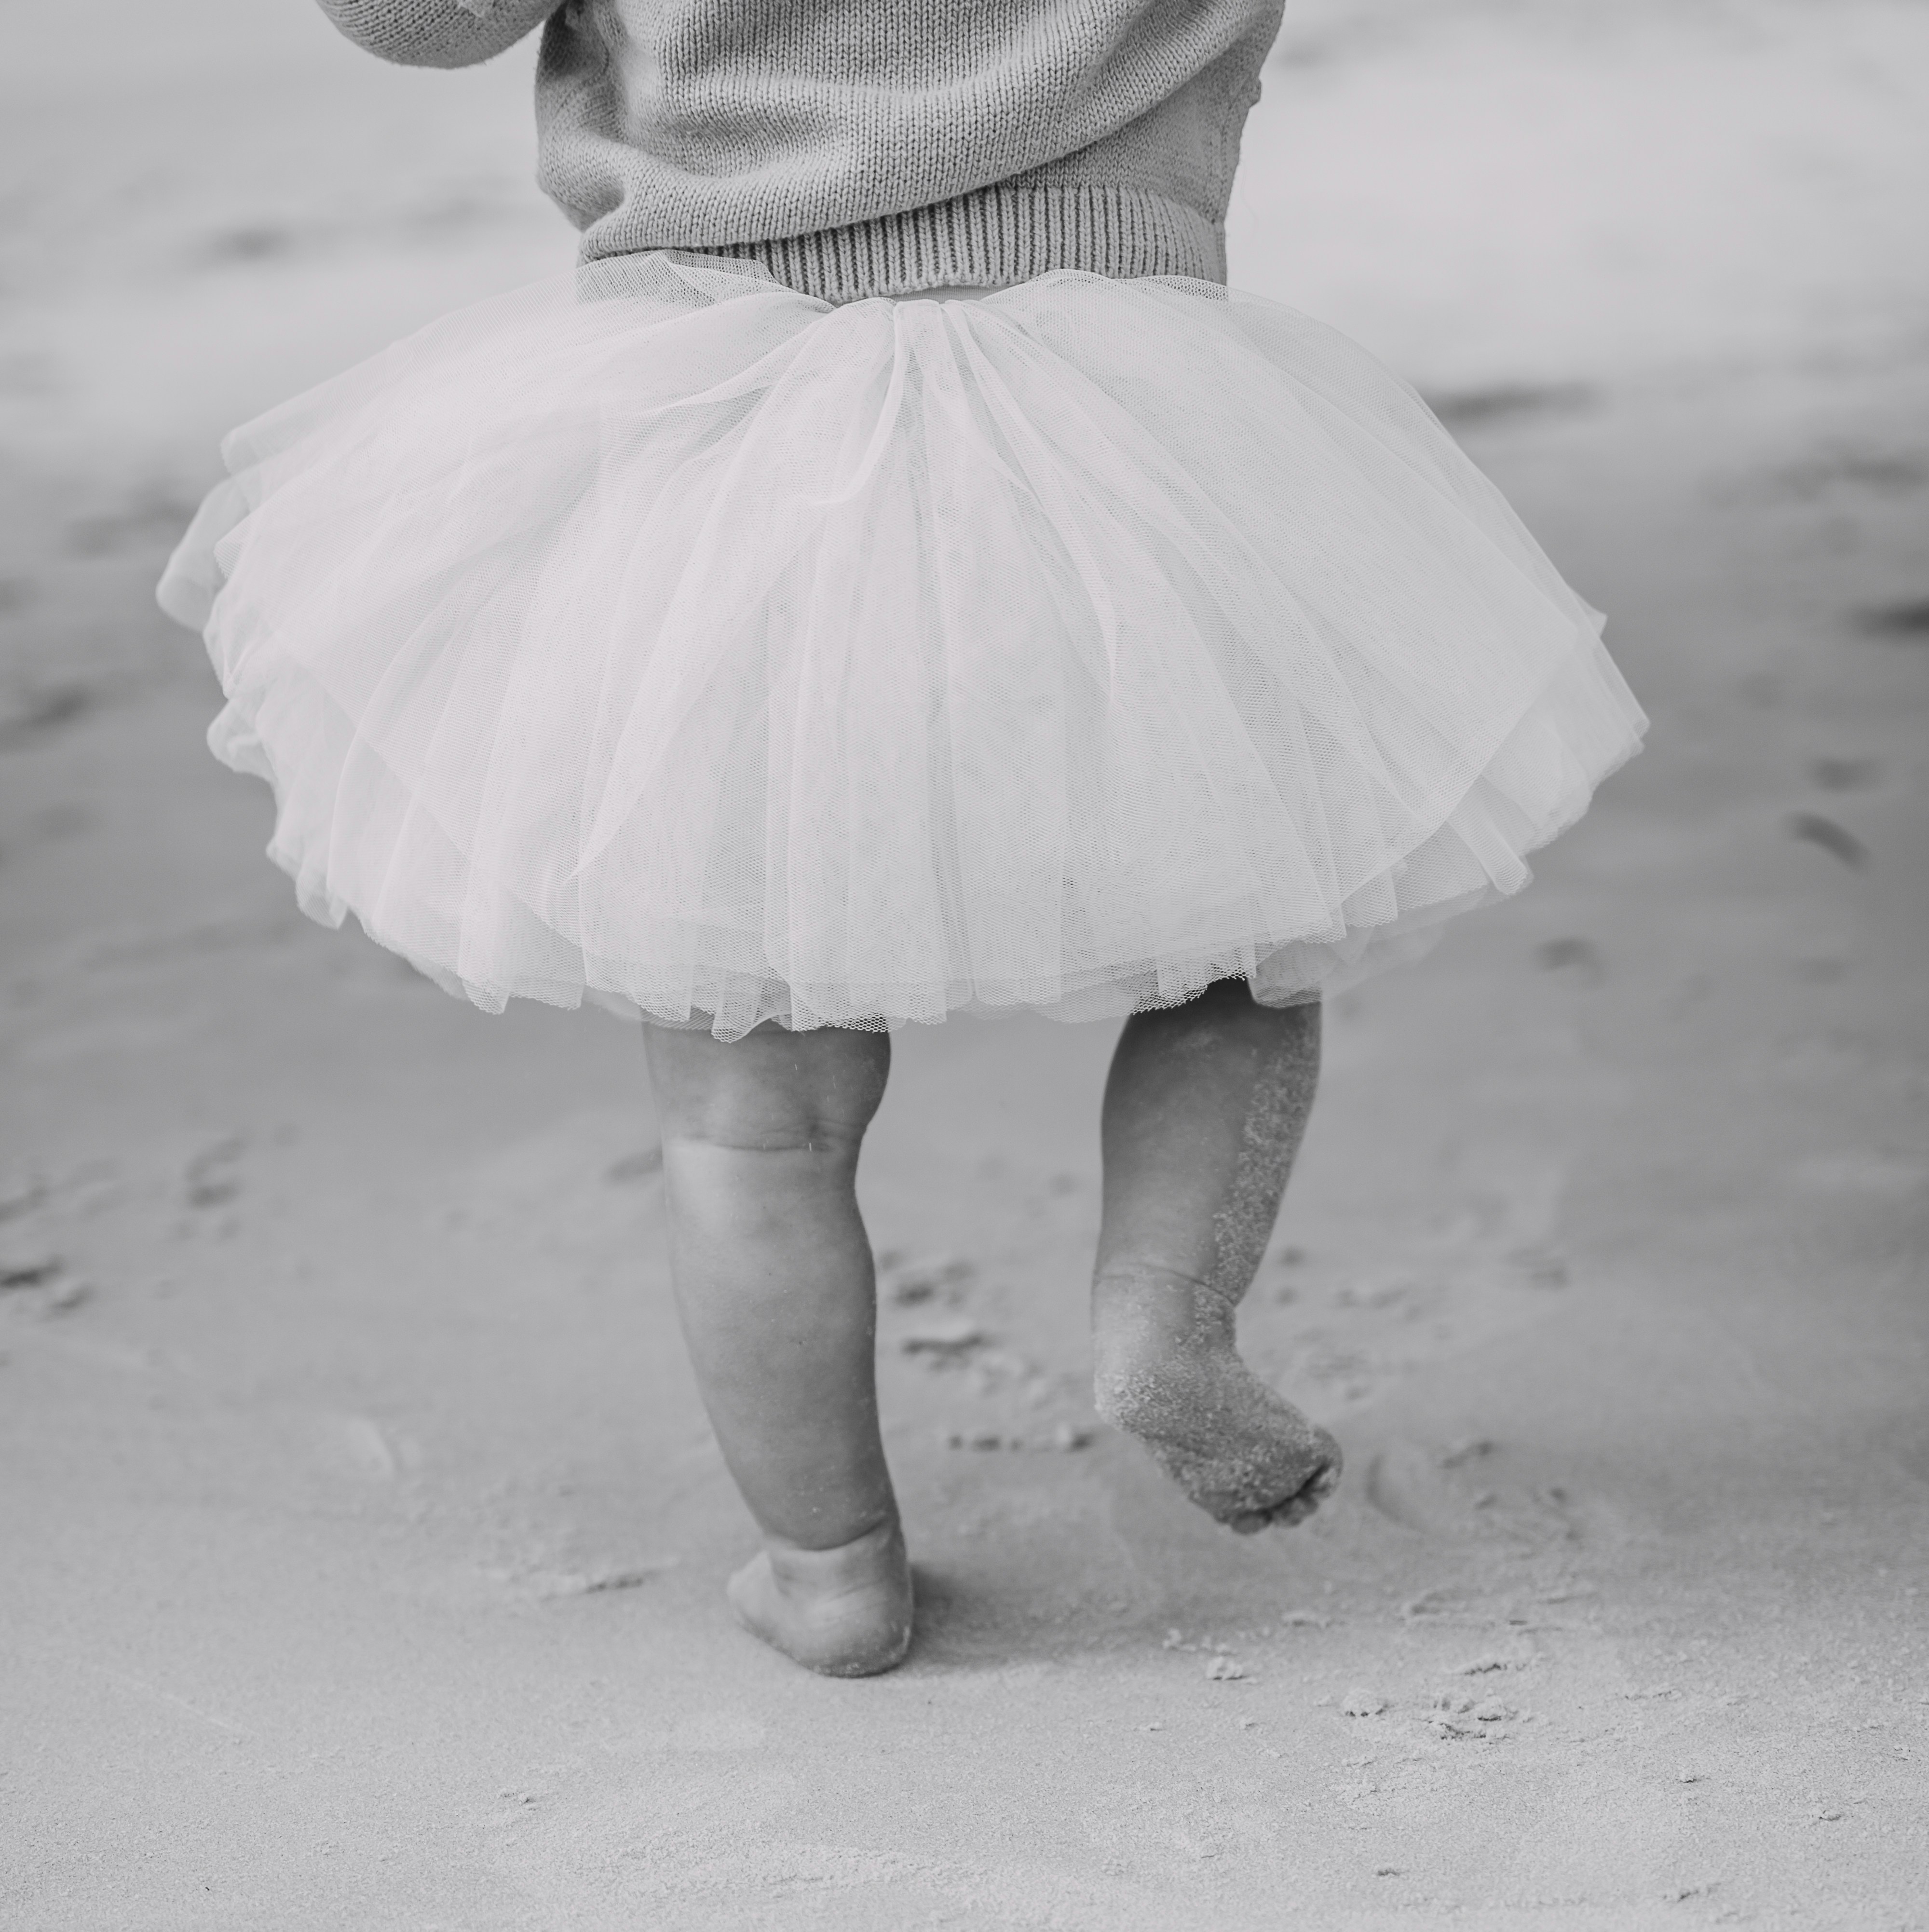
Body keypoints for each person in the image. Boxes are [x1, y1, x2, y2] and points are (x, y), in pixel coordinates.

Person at [159, 0, 1645, 1678]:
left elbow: (417, 22)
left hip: (716, 431)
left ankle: (833, 1565)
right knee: (1253, 929)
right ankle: (1168, 1314)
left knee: (753, 1119)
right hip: (1122, 423)